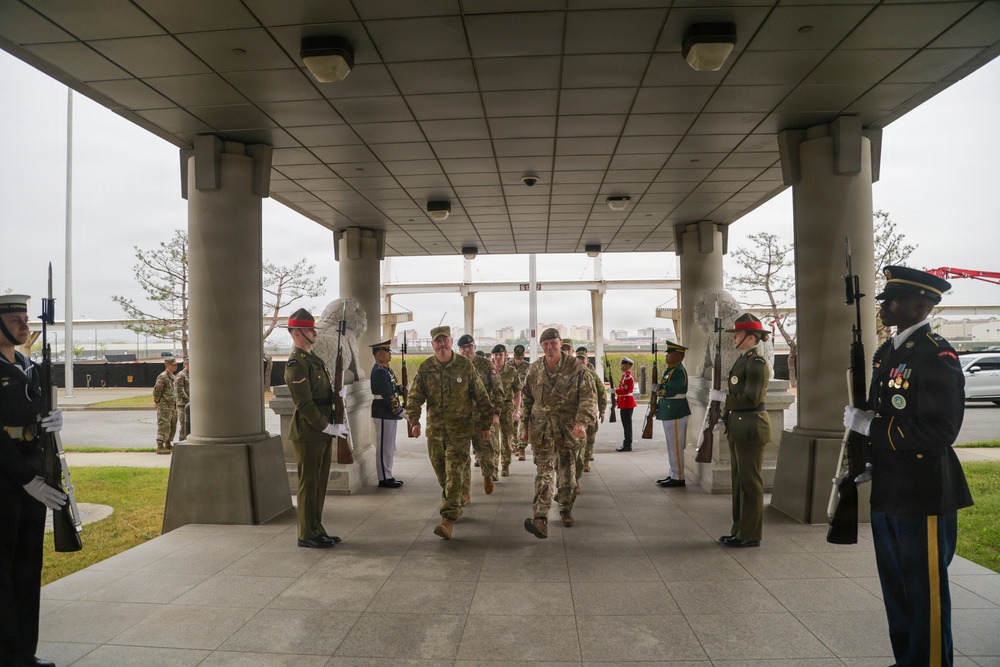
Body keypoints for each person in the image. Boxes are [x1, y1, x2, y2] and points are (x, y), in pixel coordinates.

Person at [843, 266, 972, 667]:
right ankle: (909, 660)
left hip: (922, 492)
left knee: (924, 591)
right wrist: (868, 458)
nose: (884, 306)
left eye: (892, 299)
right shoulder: (890, 352)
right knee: (897, 588)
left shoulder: (937, 354)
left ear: (921, 305)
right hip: (890, 487)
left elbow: (940, 431)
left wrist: (871, 427)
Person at [1, 294, 64, 667]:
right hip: (6, 476)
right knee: (2, 569)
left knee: (27, 566)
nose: (25, 327)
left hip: (32, 470)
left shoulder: (27, 363)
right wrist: (25, 478)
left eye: (26, 319)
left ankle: (23, 652)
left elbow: (36, 411)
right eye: (15, 321)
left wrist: (53, 420)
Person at [406, 326, 495, 539]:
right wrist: (414, 420)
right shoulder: (426, 368)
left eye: (445, 340)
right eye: (438, 341)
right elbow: (415, 397)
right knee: (442, 474)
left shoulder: (464, 366)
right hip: (435, 431)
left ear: (451, 341)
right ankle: (454, 500)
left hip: (460, 432)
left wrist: (486, 425)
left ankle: (448, 518)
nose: (442, 344)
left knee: (454, 473)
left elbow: (481, 396)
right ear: (433, 344)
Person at [520, 328, 597, 537]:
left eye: (553, 343)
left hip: (568, 431)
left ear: (560, 343)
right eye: (545, 344)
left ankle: (565, 508)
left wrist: (582, 422)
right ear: (541, 346)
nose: (549, 347)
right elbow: (526, 399)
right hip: (542, 431)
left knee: (567, 477)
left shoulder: (577, 369)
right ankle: (540, 518)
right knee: (544, 474)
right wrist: (523, 428)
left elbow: (588, 398)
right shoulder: (535, 369)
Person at [284, 308, 349, 549]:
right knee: (308, 484)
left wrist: (337, 396)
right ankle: (306, 534)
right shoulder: (296, 364)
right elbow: (304, 404)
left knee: (319, 483)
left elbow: (321, 393)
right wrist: (327, 427)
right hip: (309, 432)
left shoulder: (314, 359)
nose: (315, 332)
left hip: (322, 430)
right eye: (310, 329)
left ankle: (316, 528)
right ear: (298, 333)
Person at [709, 313, 771, 548]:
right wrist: (725, 416)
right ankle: (739, 530)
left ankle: (751, 534)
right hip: (739, 426)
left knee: (750, 482)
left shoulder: (757, 363)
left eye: (738, 334)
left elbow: (751, 398)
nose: (734, 338)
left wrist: (725, 398)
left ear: (751, 337)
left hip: (751, 428)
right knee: (739, 482)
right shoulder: (742, 360)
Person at [456, 334, 501, 494]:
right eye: (464, 348)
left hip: (482, 418)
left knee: (485, 452)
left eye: (470, 347)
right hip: (461, 420)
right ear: (460, 350)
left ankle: (488, 475)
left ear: (474, 347)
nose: (467, 350)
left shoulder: (487, 365)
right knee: (461, 457)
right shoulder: (456, 367)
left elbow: (498, 391)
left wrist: (495, 414)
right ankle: (465, 492)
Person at [369, 339, 404, 488]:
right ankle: (383, 478)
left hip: (388, 412)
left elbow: (392, 388)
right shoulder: (379, 372)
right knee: (383, 446)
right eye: (386, 351)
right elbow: (387, 394)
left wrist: (402, 388)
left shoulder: (385, 370)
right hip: (383, 411)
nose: (390, 354)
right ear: (378, 355)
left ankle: (388, 475)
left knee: (388, 446)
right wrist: (400, 411)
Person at [655, 342, 691, 488]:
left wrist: (658, 389)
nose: (667, 356)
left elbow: (670, 390)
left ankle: (679, 477)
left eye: (669, 353)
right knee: (672, 446)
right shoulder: (671, 370)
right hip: (670, 410)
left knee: (676, 446)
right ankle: (673, 474)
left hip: (675, 410)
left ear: (677, 355)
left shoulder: (678, 371)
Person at [574, 346, 606, 475]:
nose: (581, 361)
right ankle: (579, 464)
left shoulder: (592, 375)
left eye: (583, 359)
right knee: (578, 440)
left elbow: (601, 392)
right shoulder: (571, 374)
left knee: (590, 438)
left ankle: (586, 461)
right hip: (577, 414)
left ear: (587, 360)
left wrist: (602, 410)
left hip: (591, 413)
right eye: (579, 358)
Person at [491, 344, 521, 477]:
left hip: (507, 407)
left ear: (506, 356)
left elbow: (518, 391)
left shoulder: (512, 371)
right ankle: (493, 468)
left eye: (500, 355)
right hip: (492, 409)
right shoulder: (488, 370)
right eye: (496, 355)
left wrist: (517, 410)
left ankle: (505, 465)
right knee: (493, 440)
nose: (498, 357)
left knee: (507, 438)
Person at [508, 344, 531, 461]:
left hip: (525, 399)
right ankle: (514, 445)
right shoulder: (508, 366)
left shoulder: (528, 367)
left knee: (522, 423)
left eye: (520, 358)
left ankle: (521, 448)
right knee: (512, 423)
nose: (518, 360)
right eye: (517, 358)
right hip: (511, 399)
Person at [152, 357, 178, 454]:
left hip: (172, 405)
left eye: (176, 365)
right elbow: (157, 390)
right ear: (167, 365)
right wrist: (157, 401)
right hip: (165, 406)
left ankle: (168, 443)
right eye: (173, 365)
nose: (175, 366)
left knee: (172, 425)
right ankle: (160, 446)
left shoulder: (172, 376)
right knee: (164, 425)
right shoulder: (162, 377)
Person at [614, 356, 637, 451]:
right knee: (625, 424)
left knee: (627, 424)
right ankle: (626, 443)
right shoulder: (625, 376)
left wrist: (616, 390)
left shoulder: (628, 377)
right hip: (624, 402)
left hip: (627, 402)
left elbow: (625, 390)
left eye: (623, 364)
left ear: (628, 365)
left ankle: (628, 444)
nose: (621, 366)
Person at [175, 358, 190, 441]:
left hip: (191, 404)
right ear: (187, 364)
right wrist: (189, 400)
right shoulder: (181, 375)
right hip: (183, 404)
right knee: (184, 425)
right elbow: (180, 390)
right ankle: (182, 442)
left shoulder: (192, 374)